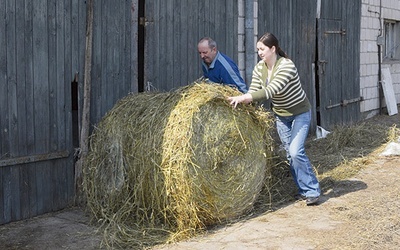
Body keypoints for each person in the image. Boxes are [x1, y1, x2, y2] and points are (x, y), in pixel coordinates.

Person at [227, 32, 321, 205]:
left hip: (300, 113)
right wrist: (241, 104)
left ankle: (313, 190)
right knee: (289, 154)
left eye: (262, 49)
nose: (260, 53)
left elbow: (271, 91)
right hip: (281, 115)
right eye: (258, 50)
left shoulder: (287, 66)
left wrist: (245, 98)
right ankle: (304, 191)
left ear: (273, 48)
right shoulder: (259, 68)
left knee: (295, 151)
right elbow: (254, 91)